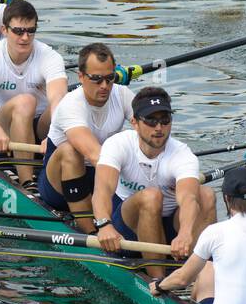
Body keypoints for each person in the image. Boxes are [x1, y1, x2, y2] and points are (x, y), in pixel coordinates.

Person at [91, 87, 216, 278]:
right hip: (127, 227)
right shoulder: (118, 145)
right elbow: (102, 190)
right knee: (151, 196)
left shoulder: (182, 154)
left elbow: (188, 198)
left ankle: (198, 276)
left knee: (206, 195)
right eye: (151, 120)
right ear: (134, 122)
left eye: (165, 120)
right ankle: (159, 282)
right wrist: (104, 225)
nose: (159, 128)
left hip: (169, 227)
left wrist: (184, 233)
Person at [150, 167, 246, 304]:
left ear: (227, 198)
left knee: (207, 267)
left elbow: (183, 280)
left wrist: (159, 286)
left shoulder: (215, 232)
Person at [0, 0, 69, 187]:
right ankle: (26, 182)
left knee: (64, 104)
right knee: (26, 102)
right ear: (4, 30)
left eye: (31, 31)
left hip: (39, 126)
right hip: (2, 126)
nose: (25, 37)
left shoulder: (50, 57)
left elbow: (58, 98)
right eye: (18, 31)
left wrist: (56, 133)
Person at [39, 42, 133, 230]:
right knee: (70, 151)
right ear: (81, 76)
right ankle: (90, 232)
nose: (105, 86)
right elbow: (94, 155)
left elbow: (147, 131)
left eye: (110, 78)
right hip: (59, 185)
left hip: (99, 177)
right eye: (97, 79)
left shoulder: (123, 95)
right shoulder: (71, 105)